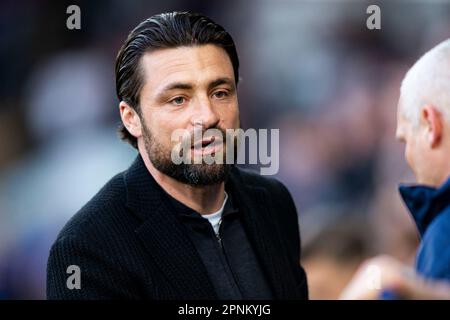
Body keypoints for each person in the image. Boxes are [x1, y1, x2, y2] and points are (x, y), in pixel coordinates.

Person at [46, 11, 308, 300]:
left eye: (220, 93)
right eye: (178, 99)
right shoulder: (89, 247)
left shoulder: (272, 203)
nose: (207, 116)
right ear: (131, 118)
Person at [340, 39, 450, 299]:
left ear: (430, 124)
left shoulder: (444, 233)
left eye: (405, 140)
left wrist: (396, 285)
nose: (406, 156)